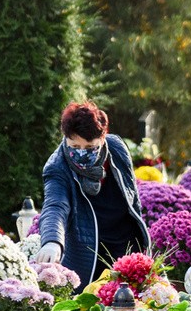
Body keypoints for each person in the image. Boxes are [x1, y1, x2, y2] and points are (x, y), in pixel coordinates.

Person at [35, 101, 150, 292]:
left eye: (89, 147)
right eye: (74, 145)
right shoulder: (57, 167)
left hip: (127, 247)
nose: (80, 153)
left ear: (103, 139)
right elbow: (55, 207)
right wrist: (52, 242)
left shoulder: (117, 148)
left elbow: (133, 197)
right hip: (88, 254)